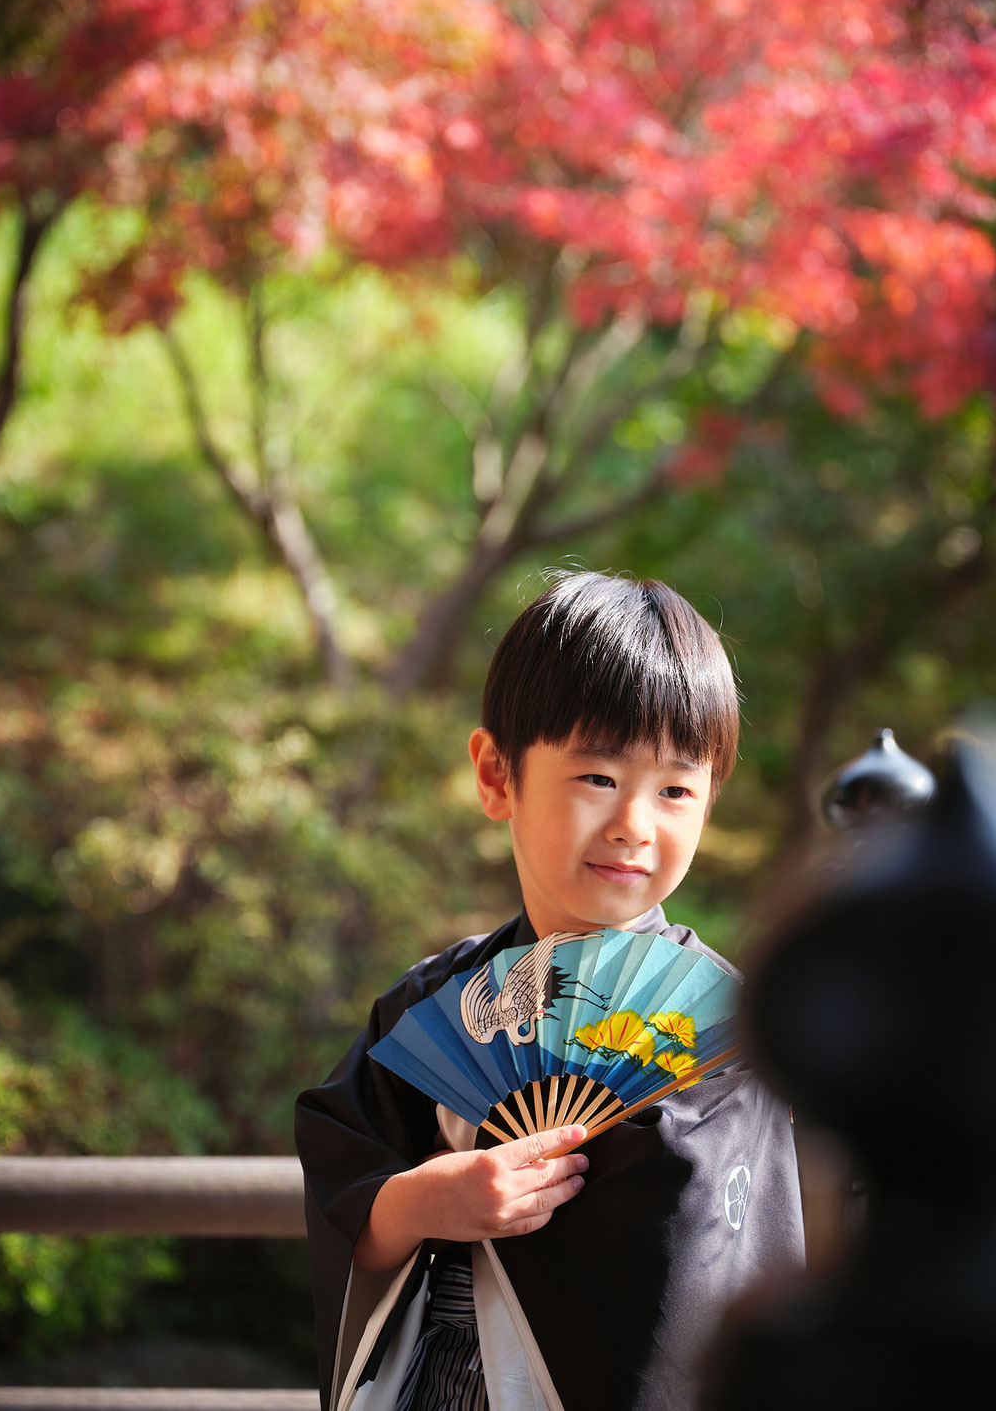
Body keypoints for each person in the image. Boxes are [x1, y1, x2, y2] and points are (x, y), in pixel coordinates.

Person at [296, 572, 805, 1411]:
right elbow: (350, 1193)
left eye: (676, 788)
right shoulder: (432, 1006)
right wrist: (421, 1202)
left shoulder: (726, 1029)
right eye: (598, 778)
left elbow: (724, 1272)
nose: (634, 824)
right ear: (497, 775)